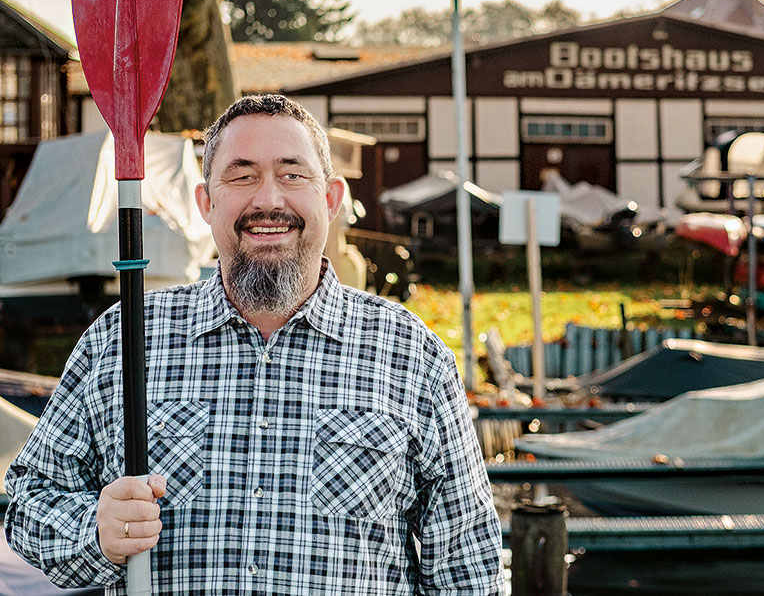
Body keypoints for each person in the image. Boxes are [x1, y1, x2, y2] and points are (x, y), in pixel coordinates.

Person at [5, 94, 504, 595]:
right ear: (206, 202)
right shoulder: (123, 339)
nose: (268, 200)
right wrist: (96, 533)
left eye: (292, 174)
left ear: (330, 199)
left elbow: (468, 571)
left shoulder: (411, 355)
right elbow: (29, 505)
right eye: (242, 176)